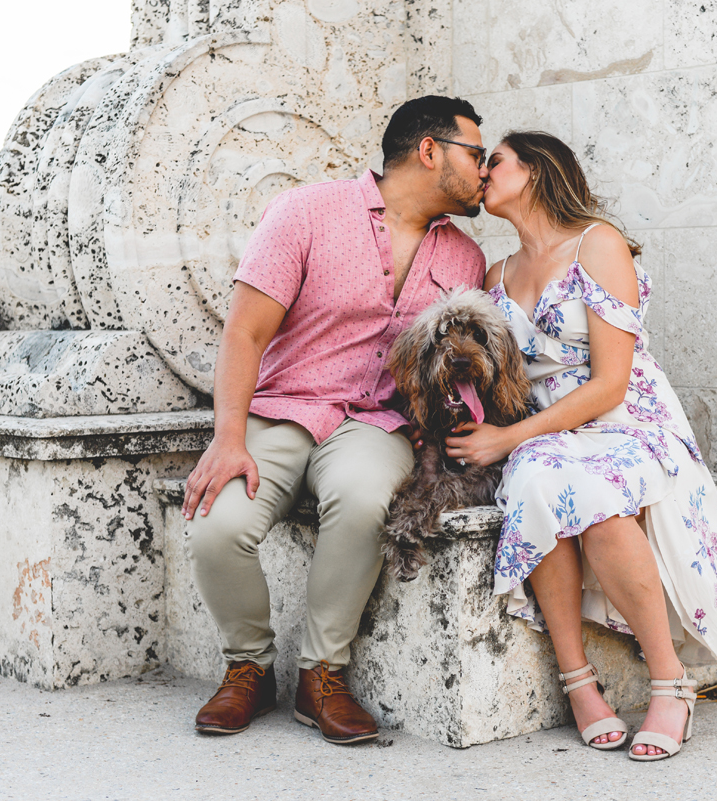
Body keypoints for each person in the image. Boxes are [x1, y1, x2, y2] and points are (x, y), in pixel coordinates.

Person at [180, 96, 489, 744]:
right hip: (284, 408)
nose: (484, 171)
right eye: (476, 155)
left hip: (376, 424)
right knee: (218, 525)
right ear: (429, 151)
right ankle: (247, 666)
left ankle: (321, 673)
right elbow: (244, 334)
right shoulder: (306, 212)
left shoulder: (466, 258)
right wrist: (228, 439)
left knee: (363, 498)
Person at [444, 131, 717, 761]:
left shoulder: (597, 244)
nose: (482, 172)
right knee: (535, 479)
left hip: (625, 420)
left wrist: (509, 438)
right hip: (545, 431)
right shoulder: (495, 273)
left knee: (590, 497)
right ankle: (578, 683)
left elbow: (609, 383)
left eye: (494, 161)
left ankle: (670, 683)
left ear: (538, 170)